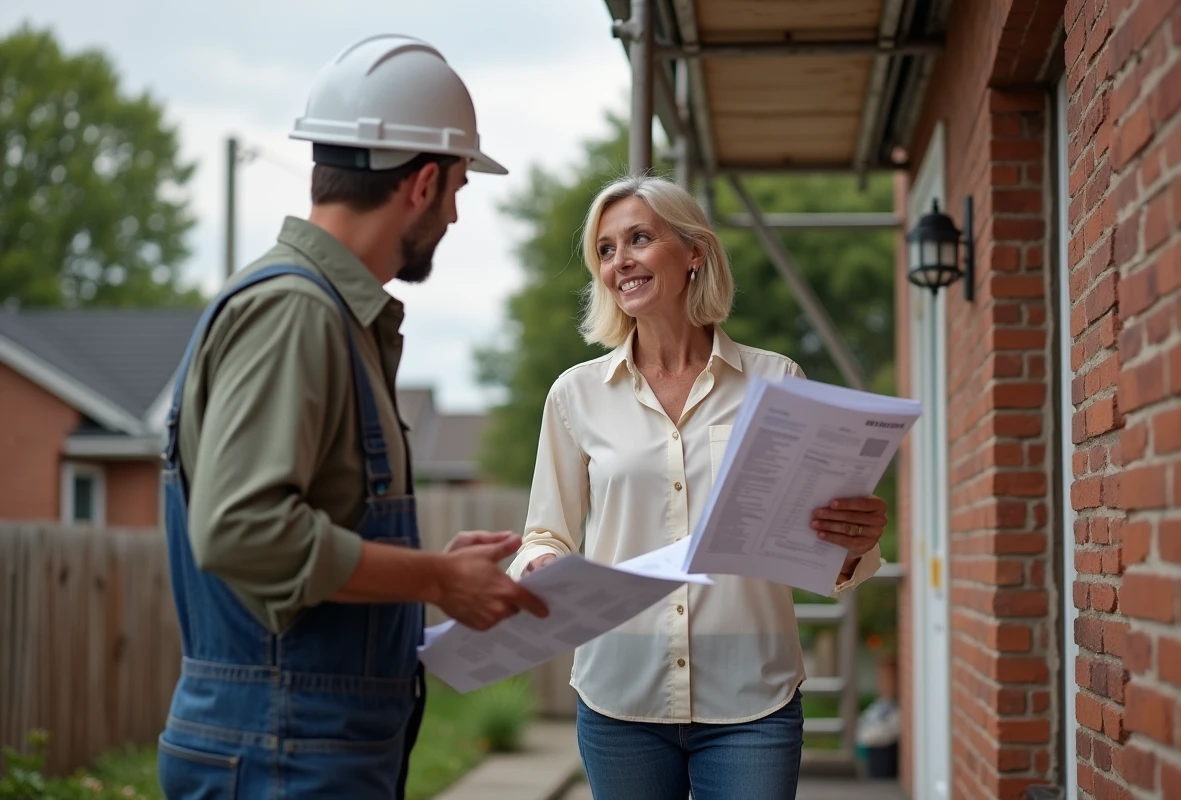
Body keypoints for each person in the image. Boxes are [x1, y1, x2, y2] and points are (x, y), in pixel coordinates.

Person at [157, 35, 548, 800]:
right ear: (423, 182)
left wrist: (423, 573)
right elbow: (243, 530)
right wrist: (435, 576)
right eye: (459, 189)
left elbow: (302, 527)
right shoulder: (294, 313)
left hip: (305, 748)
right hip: (284, 754)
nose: (457, 216)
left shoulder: (330, 316)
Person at [508, 174, 887, 800]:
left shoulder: (776, 381)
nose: (619, 261)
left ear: (694, 253)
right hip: (619, 695)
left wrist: (853, 541)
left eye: (638, 239)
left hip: (752, 698)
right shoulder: (574, 395)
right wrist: (542, 560)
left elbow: (813, 538)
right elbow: (546, 530)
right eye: (605, 249)